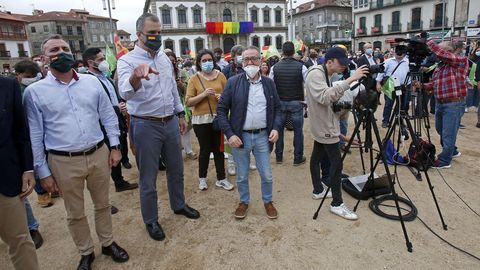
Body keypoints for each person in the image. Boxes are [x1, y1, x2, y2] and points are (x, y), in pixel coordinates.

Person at [24, 35, 130, 269]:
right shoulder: (35, 92)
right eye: (54, 50)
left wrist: (114, 147)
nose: (60, 53)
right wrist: (43, 171)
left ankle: (107, 242)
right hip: (63, 161)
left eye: (65, 48)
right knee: (74, 212)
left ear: (73, 53)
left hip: (98, 153)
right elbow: (35, 134)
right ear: (44, 58)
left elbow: (108, 116)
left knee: (102, 204)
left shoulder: (91, 83)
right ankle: (85, 251)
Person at [117, 13, 200, 242]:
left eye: (158, 32)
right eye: (151, 33)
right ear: (139, 35)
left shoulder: (163, 58)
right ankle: (151, 220)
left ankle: (179, 204)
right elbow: (124, 92)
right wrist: (136, 76)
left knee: (177, 169)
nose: (156, 36)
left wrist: (180, 113)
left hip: (170, 122)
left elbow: (172, 88)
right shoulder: (127, 61)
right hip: (145, 125)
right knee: (148, 176)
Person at [217, 46, 282, 219]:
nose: (250, 62)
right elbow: (221, 110)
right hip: (240, 136)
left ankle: (268, 201)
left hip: (263, 136)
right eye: (246, 59)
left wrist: (275, 128)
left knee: (267, 174)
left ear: (261, 61)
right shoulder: (233, 82)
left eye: (254, 58)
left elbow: (278, 109)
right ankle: (244, 201)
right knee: (242, 175)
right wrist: (230, 134)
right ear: (241, 62)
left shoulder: (268, 83)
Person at [305, 47, 369, 220]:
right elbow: (325, 98)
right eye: (341, 63)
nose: (344, 67)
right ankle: (337, 204)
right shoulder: (316, 74)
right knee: (336, 163)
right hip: (323, 127)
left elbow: (327, 106)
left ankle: (318, 190)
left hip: (324, 126)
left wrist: (341, 135)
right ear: (329, 61)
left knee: (317, 158)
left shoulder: (326, 74)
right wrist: (351, 80)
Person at [83, 47, 139, 194]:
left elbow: (115, 97)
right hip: (102, 126)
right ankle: (103, 196)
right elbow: (95, 107)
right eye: (100, 60)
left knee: (117, 151)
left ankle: (119, 181)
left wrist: (122, 105)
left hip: (116, 121)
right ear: (90, 62)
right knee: (105, 160)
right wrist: (116, 109)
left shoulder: (106, 78)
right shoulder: (88, 81)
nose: (104, 62)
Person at [0, 76, 39, 270]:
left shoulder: (7, 85)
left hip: (4, 179)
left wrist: (27, 168)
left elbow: (20, 131)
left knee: (20, 240)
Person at [413, 39, 468, 169]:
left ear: (449, 50)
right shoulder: (440, 66)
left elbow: (441, 53)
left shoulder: (460, 60)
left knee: (448, 133)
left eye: (441, 49)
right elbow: (434, 84)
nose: (438, 51)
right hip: (440, 103)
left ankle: (444, 160)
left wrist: (429, 42)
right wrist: (421, 85)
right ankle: (452, 150)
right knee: (441, 129)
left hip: (454, 104)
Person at [186, 49, 233, 191]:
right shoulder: (194, 78)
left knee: (219, 150)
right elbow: (188, 102)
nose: (207, 63)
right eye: (204, 61)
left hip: (218, 118)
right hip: (200, 120)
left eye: (209, 60)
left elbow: (229, 95)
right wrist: (203, 95)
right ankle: (202, 179)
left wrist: (222, 97)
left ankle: (221, 178)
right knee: (205, 150)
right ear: (199, 63)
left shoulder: (221, 76)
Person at [13, 60, 45, 249]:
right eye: (27, 77)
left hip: (28, 140)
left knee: (19, 193)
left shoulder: (11, 89)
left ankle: (32, 227)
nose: (31, 80)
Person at [269, 41, 308, 165]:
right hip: (297, 101)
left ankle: (279, 157)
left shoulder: (274, 67)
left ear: (282, 52)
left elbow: (270, 85)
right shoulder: (301, 66)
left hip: (280, 102)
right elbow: (307, 84)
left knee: (279, 131)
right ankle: (297, 158)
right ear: (293, 52)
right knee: (298, 131)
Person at [165, 51, 197, 160]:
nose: (171, 62)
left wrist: (181, 85)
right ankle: (176, 152)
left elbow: (189, 89)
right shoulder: (161, 73)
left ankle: (188, 150)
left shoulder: (181, 72)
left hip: (182, 103)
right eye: (168, 60)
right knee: (172, 130)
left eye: (172, 60)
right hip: (167, 105)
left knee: (186, 128)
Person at [376, 45, 410, 128]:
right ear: (394, 52)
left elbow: (411, 74)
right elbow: (381, 72)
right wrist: (378, 83)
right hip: (390, 84)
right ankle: (385, 121)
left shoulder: (408, 62)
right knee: (388, 104)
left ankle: (399, 120)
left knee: (402, 105)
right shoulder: (388, 61)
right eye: (397, 51)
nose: (399, 53)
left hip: (404, 85)